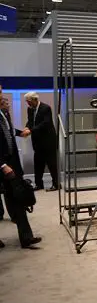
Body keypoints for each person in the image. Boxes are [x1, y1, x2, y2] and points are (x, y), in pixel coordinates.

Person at [0, 96, 42, 248]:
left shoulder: (5, 114)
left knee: (18, 198)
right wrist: (2, 165)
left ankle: (26, 238)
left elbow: (9, 132)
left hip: (12, 164)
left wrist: (20, 133)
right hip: (2, 164)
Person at [21, 92, 59, 191]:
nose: (28, 103)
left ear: (35, 99)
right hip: (37, 141)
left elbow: (46, 123)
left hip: (48, 141)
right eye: (27, 102)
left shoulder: (46, 108)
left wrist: (31, 130)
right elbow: (30, 121)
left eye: (29, 101)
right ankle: (38, 184)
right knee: (38, 163)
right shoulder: (30, 109)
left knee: (51, 163)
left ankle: (56, 184)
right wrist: (26, 127)